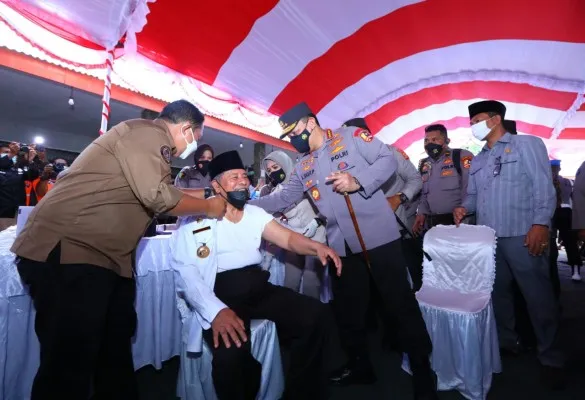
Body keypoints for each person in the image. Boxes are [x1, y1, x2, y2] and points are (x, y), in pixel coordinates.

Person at [11, 100, 226, 400]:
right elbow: (158, 197)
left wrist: (206, 193)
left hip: (104, 260)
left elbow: (159, 190)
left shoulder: (145, 145)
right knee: (69, 365)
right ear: (186, 129)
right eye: (196, 138)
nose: (193, 147)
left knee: (113, 352)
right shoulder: (150, 134)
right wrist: (210, 207)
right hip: (70, 252)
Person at [250, 102, 437, 399]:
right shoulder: (304, 165)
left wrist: (358, 181)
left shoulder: (350, 136)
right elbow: (283, 198)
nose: (292, 139)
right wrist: (241, 206)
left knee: (400, 306)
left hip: (379, 240)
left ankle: (423, 372)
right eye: (287, 136)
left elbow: (386, 160)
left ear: (310, 122)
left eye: (294, 131)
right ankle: (360, 365)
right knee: (349, 313)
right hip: (341, 248)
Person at [172, 150, 342, 400]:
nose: (243, 181)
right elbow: (187, 274)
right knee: (232, 353)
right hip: (219, 294)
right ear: (216, 185)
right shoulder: (194, 221)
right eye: (234, 177)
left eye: (244, 176)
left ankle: (302, 392)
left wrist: (316, 247)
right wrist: (216, 311)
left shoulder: (254, 213)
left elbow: (286, 238)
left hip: (258, 288)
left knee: (315, 315)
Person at [454, 100, 564, 388]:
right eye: (471, 121)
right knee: (498, 295)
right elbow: (474, 197)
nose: (472, 126)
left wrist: (540, 224)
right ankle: (507, 342)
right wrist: (464, 208)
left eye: (476, 119)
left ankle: (550, 357)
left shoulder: (526, 144)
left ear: (494, 118)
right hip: (489, 239)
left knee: (537, 296)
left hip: (522, 233)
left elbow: (543, 185)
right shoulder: (478, 159)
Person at [260, 150, 327, 298]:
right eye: (269, 171)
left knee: (311, 281)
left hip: (316, 236)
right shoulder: (276, 193)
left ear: (285, 163)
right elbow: (274, 219)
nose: (273, 173)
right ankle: (293, 317)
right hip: (294, 238)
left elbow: (326, 204)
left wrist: (317, 220)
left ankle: (312, 316)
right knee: (290, 282)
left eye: (276, 167)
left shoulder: (304, 180)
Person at [413, 124, 474, 234]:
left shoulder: (461, 156)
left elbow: (469, 188)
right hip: (433, 224)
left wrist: (464, 210)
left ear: (447, 141)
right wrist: (421, 213)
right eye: (426, 140)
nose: (429, 143)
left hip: (459, 221)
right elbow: (423, 194)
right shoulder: (423, 164)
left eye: (435, 139)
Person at [551, 159, 582, 281]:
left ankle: (575, 270)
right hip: (563, 212)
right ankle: (575, 270)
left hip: (559, 211)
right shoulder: (567, 182)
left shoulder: (564, 182)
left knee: (569, 242)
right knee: (569, 242)